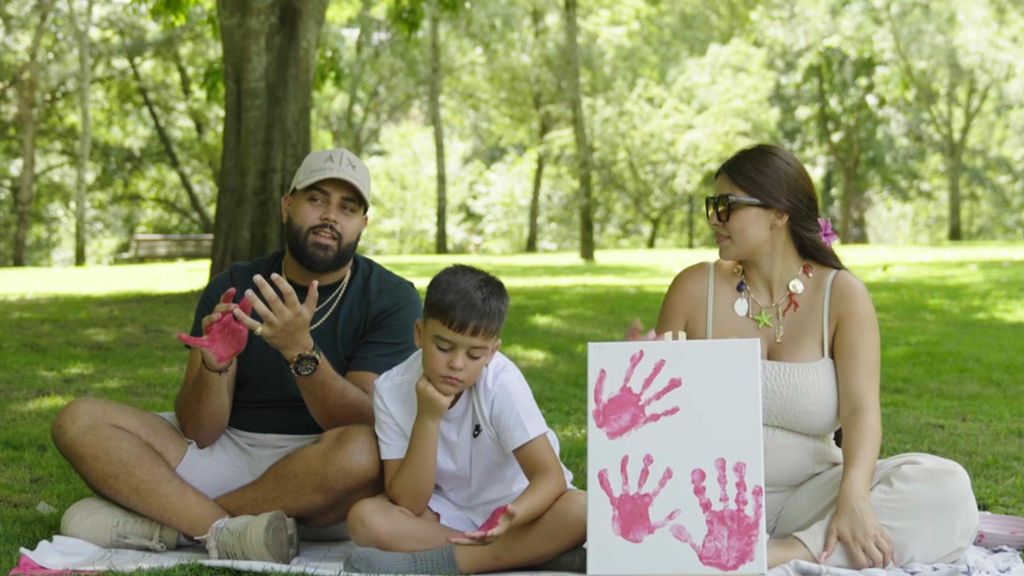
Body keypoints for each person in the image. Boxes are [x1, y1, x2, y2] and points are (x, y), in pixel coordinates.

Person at [51, 147, 422, 563]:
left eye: (347, 207)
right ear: (287, 205)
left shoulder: (391, 297)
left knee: (364, 450)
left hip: (324, 474)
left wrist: (300, 351)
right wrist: (217, 365)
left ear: (363, 224)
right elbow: (200, 431)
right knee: (79, 420)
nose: (330, 216)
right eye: (316, 199)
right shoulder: (235, 284)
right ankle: (233, 531)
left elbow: (366, 420)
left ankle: (180, 525)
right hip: (229, 451)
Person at [655, 144, 978, 570]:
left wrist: (853, 497)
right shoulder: (694, 289)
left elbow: (862, 411)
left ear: (779, 212)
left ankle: (787, 553)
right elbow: (657, 418)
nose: (715, 219)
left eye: (726, 205)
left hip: (809, 499)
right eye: (712, 206)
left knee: (947, 488)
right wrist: (639, 375)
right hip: (707, 500)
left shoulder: (841, 295)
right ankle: (808, 553)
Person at [343, 264, 587, 574]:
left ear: (492, 352)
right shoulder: (391, 389)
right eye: (444, 347)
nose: (457, 364)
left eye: (474, 355)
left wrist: (512, 515)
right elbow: (409, 502)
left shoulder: (500, 381)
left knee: (583, 508)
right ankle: (533, 553)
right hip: (449, 514)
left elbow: (549, 477)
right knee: (365, 518)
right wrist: (428, 419)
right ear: (419, 334)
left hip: (520, 511)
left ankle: (438, 562)